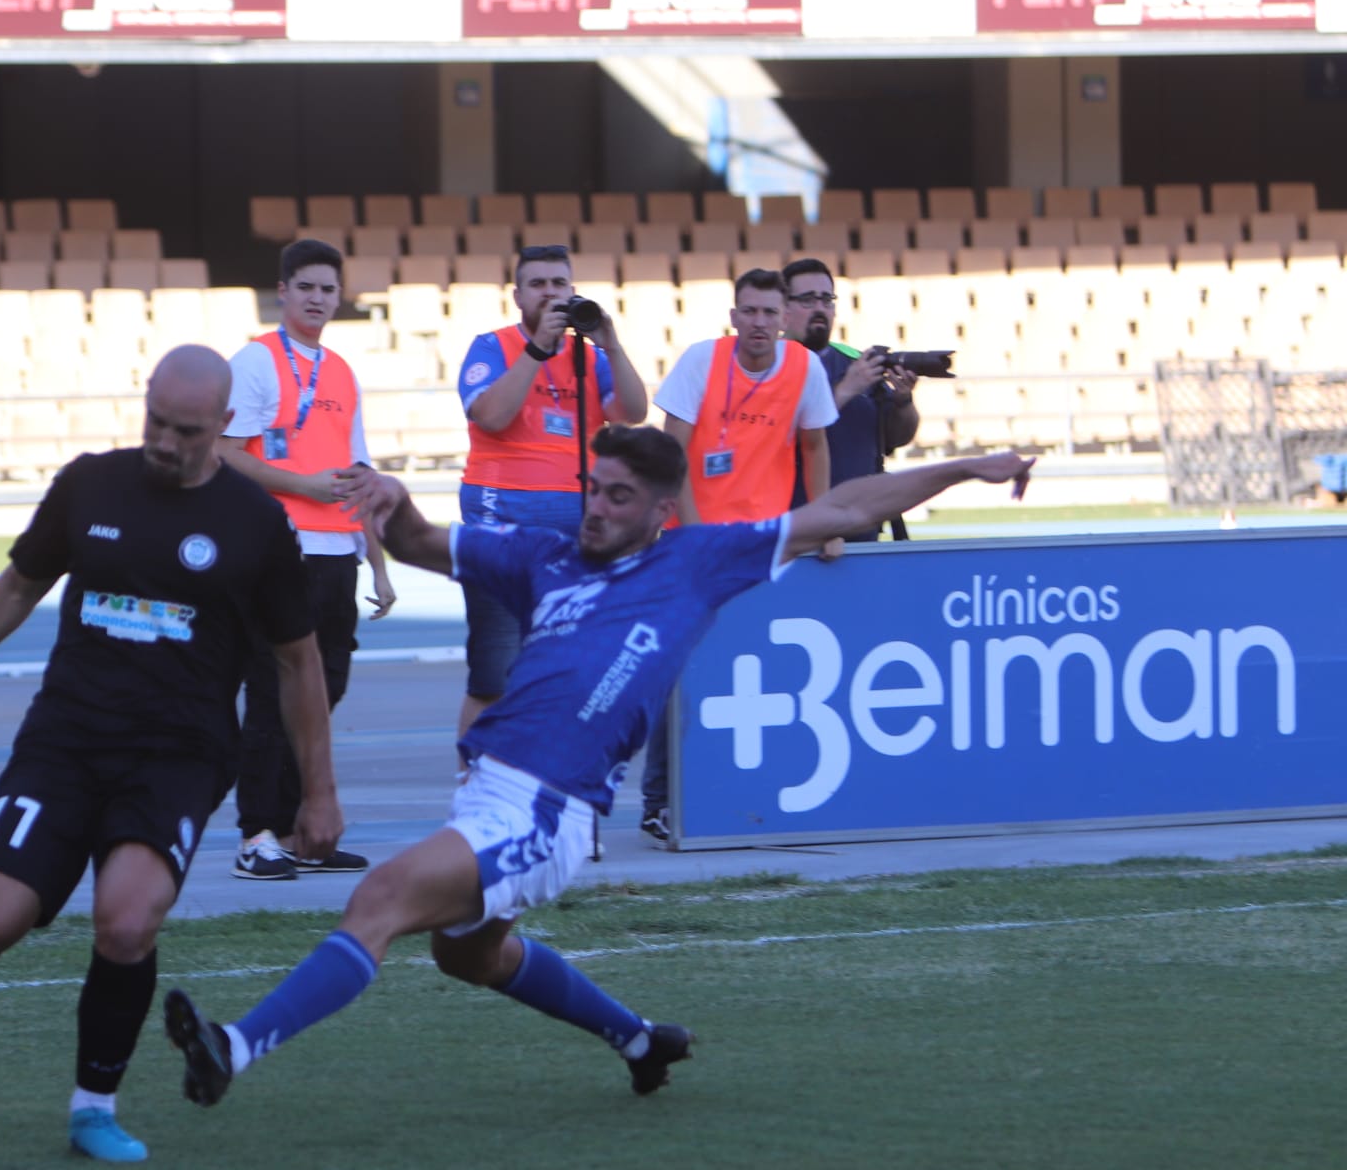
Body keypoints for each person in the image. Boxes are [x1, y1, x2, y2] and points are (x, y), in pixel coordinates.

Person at [163, 425, 1034, 1112]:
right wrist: (391, 502)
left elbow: (844, 507)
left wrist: (964, 469)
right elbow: (425, 540)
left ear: (660, 511)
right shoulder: (543, 558)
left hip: (547, 814)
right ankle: (640, 1040)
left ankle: (234, 1048)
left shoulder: (697, 560)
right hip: (486, 792)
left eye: (619, 496)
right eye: (592, 487)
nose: (596, 507)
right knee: (470, 959)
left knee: (380, 898)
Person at [0, 345, 344, 1165]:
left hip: (177, 756)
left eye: (186, 430)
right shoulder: (90, 485)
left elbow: (299, 660)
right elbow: (16, 587)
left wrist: (318, 793)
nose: (163, 439)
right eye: (155, 418)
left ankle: (93, 1107)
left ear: (225, 427)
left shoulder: (255, 523)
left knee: (124, 920)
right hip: (67, 739)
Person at [636, 268, 841, 842]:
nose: (758, 322)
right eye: (748, 311)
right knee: (679, 672)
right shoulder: (702, 361)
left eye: (769, 313)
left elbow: (815, 444)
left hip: (762, 545)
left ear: (784, 319)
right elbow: (669, 455)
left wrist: (825, 521)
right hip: (693, 540)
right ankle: (660, 802)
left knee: (753, 671)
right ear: (733, 316)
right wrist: (694, 538)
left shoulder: (804, 368)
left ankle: (745, 791)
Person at [219, 238, 395, 881]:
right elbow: (225, 452)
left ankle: (295, 829)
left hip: (335, 553)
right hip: (276, 550)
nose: (319, 298)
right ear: (284, 292)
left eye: (329, 289)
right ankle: (255, 833)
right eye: (308, 287)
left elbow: (355, 474)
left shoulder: (342, 371)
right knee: (271, 693)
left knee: (328, 689)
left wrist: (375, 561)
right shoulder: (257, 361)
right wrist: (303, 486)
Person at [453, 243, 649, 743]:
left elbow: (632, 412)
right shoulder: (491, 346)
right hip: (502, 527)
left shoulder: (588, 356)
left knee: (567, 667)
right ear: (517, 295)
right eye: (538, 284)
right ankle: (472, 784)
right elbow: (492, 416)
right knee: (495, 671)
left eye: (559, 283)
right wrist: (537, 350)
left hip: (574, 533)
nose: (550, 293)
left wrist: (614, 345)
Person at [780, 257, 921, 540]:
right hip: (792, 533)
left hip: (861, 529)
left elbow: (896, 438)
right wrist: (845, 390)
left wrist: (903, 402)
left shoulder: (856, 362)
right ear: (783, 309)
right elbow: (777, 437)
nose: (820, 308)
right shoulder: (765, 367)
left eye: (827, 300)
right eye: (808, 300)